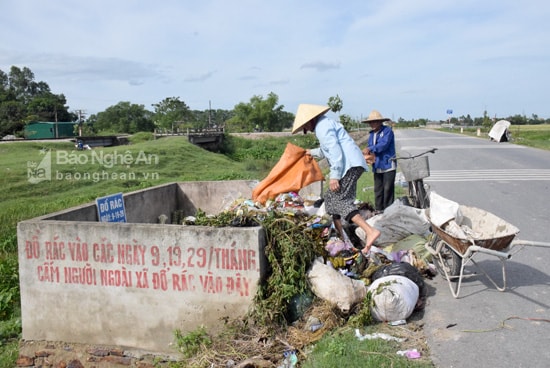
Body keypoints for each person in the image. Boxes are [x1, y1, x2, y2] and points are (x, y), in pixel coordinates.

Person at [292, 104, 380, 255]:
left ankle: (370, 231)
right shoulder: (324, 124)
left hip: (349, 165)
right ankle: (342, 239)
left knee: (340, 201)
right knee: (330, 199)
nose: (306, 129)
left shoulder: (322, 127)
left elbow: (335, 152)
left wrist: (335, 176)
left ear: (310, 120)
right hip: (352, 164)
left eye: (305, 126)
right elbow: (326, 149)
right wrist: (310, 152)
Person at [361, 110, 396, 211]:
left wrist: (370, 149)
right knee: (378, 190)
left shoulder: (387, 131)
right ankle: (378, 211)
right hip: (377, 165)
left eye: (375, 121)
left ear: (380, 122)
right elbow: (370, 146)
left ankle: (389, 212)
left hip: (388, 164)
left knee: (388, 190)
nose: (373, 124)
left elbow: (383, 145)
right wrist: (367, 153)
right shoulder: (372, 134)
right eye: (371, 122)